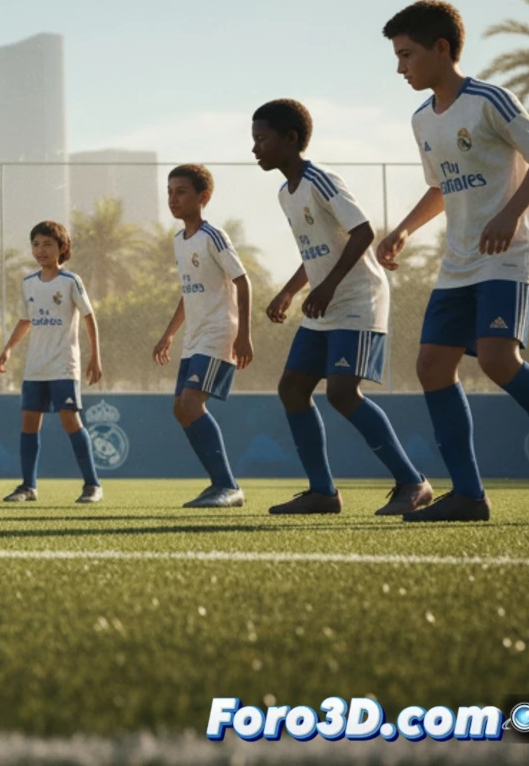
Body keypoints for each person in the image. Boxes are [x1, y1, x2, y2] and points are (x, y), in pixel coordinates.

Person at [376, 0, 529, 523]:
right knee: (432, 366)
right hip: (458, 263)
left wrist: (509, 215)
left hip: (507, 256)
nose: (401, 67)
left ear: (442, 49)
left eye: (407, 55)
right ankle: (468, 495)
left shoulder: (490, 100)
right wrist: (403, 230)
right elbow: (440, 188)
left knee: (496, 359)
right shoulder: (422, 119)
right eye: (397, 57)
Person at [251, 98, 432, 516]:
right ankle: (323, 492)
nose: (255, 148)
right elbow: (315, 251)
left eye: (262, 139)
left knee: (342, 391)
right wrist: (290, 290)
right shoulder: (286, 193)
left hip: (359, 300)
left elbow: (364, 231)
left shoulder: (320, 180)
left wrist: (329, 286)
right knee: (292, 388)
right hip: (325, 304)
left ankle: (413, 482)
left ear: (290, 139)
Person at [153, 164, 253, 509]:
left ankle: (228, 486)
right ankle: (218, 484)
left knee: (192, 403)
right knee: (181, 409)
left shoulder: (213, 236)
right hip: (193, 337)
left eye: (180, 191)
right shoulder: (179, 241)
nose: (173, 198)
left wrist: (243, 336)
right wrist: (168, 335)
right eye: (169, 191)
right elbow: (188, 292)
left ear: (203, 197)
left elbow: (242, 280)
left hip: (218, 332)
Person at [0, 221, 104, 504]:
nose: (40, 250)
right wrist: (7, 349)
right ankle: (28, 487)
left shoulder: (70, 281)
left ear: (62, 248)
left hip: (63, 365)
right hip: (35, 367)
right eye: (36, 244)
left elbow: (89, 317)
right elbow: (25, 320)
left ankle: (92, 485)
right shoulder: (28, 283)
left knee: (70, 418)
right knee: (29, 422)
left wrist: (95, 356)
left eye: (47, 244)